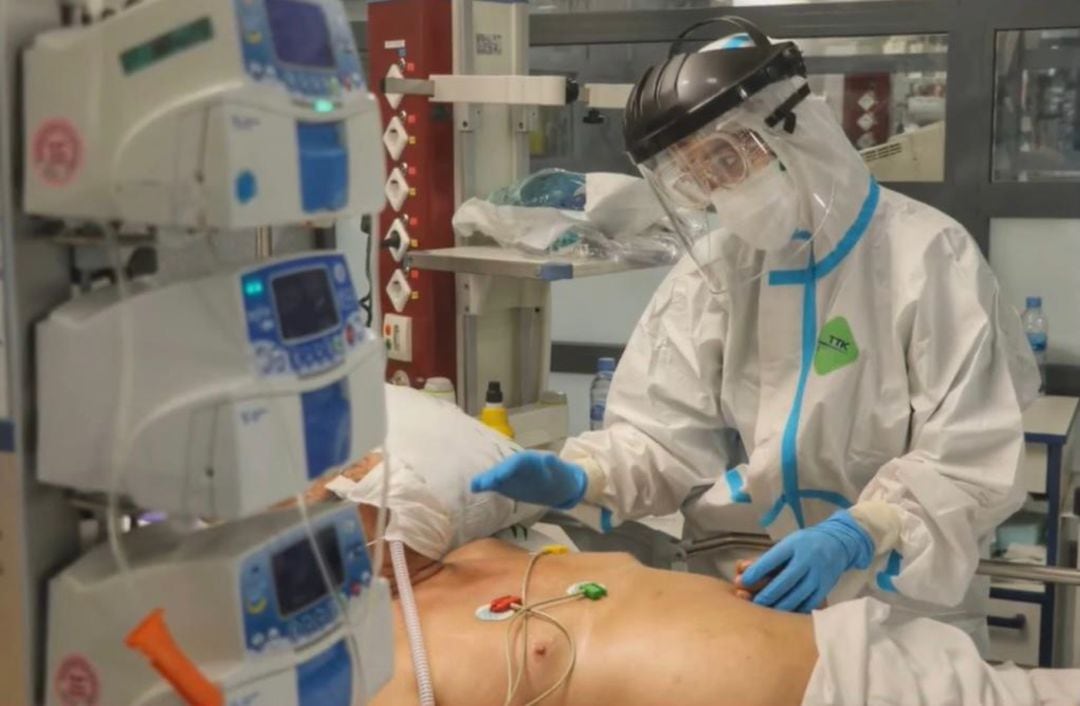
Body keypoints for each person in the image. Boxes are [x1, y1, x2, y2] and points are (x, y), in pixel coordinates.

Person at [471, 16, 1041, 645]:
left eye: (727, 156)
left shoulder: (929, 257)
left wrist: (860, 532)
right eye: (698, 174)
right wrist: (584, 475)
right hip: (740, 593)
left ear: (795, 127)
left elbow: (969, 459)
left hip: (897, 606)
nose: (720, 187)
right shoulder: (714, 269)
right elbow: (662, 438)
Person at [316, 458, 1079, 706]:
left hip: (864, 654)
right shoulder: (375, 659)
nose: (353, 475)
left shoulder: (476, 553)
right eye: (329, 485)